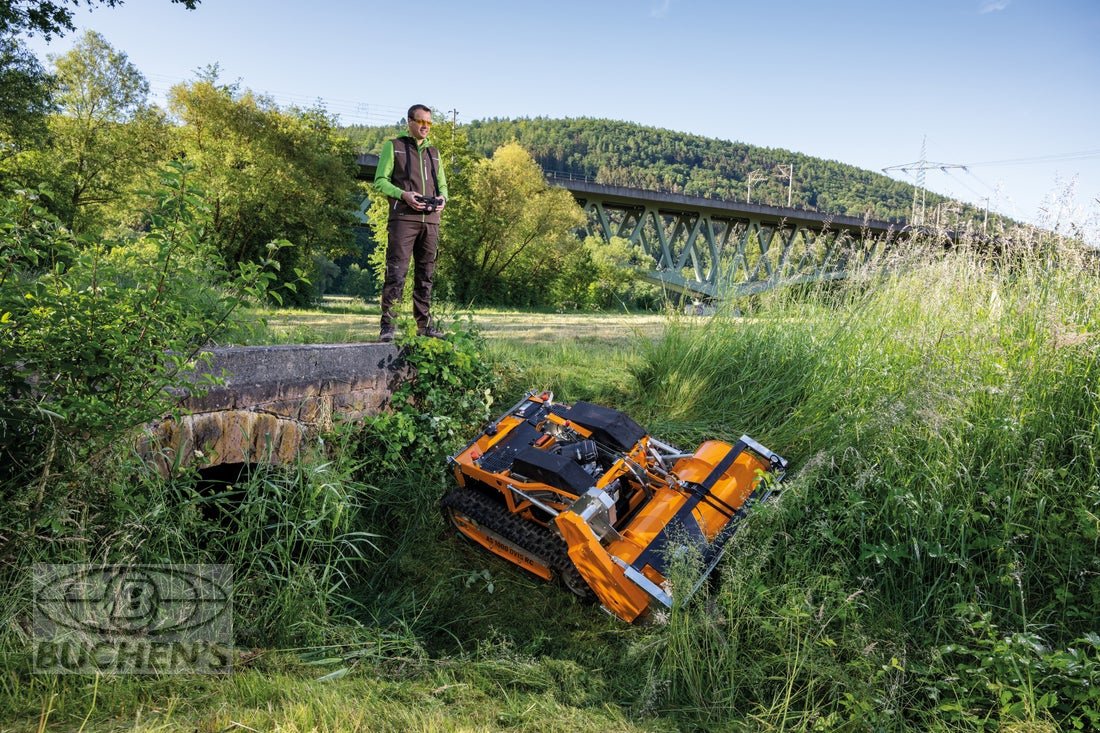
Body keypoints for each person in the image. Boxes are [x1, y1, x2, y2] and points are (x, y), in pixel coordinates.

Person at [374, 104, 449, 341]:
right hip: (404, 219)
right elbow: (380, 181)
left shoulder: (434, 152)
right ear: (409, 122)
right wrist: (403, 195)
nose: (425, 126)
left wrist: (443, 199)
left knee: (426, 275)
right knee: (397, 272)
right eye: (421, 122)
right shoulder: (394, 146)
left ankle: (424, 326)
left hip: (431, 220)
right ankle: (388, 327)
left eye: (429, 123)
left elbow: (443, 185)